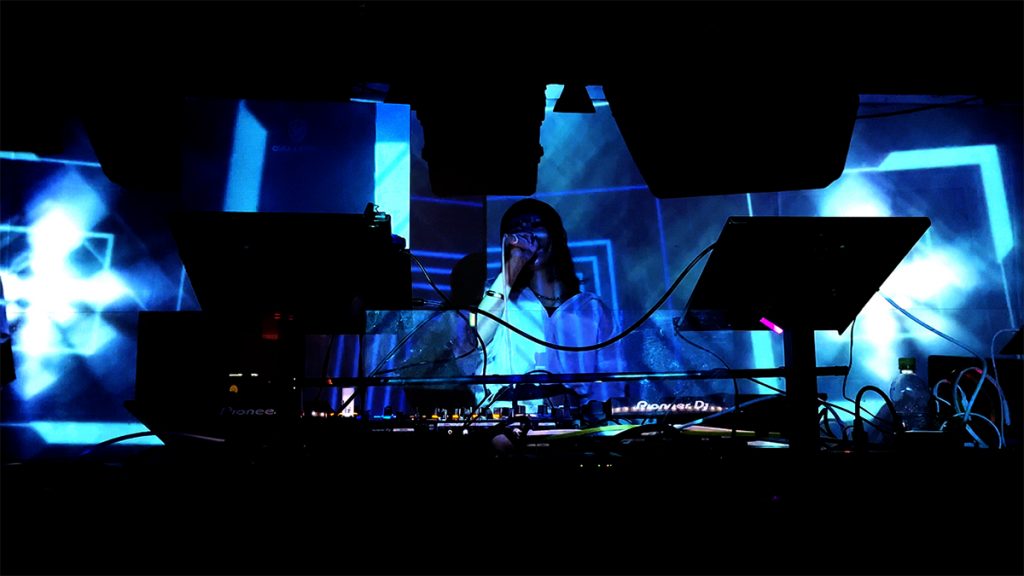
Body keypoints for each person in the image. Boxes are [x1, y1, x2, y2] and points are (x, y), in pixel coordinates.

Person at [468, 198, 620, 414]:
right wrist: (514, 263)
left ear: (558, 236)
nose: (528, 236)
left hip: (575, 427)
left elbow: (612, 381)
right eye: (517, 229)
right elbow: (475, 341)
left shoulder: (591, 309)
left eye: (536, 226)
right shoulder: (498, 299)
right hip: (508, 424)